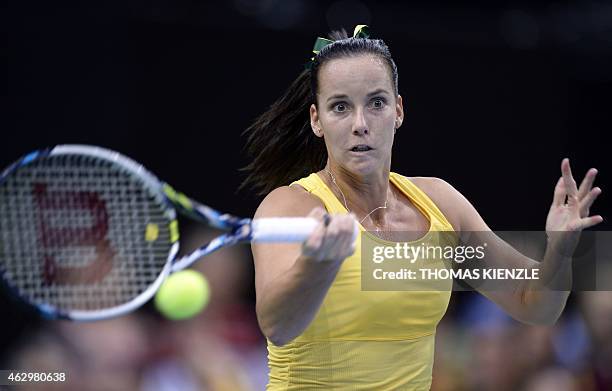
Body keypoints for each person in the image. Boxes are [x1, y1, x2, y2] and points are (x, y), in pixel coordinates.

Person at [241, 25, 603, 390]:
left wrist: (559, 250)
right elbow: (278, 326)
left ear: (398, 110)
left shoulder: (440, 204)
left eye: (376, 103)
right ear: (317, 120)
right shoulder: (291, 206)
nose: (361, 124)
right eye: (340, 107)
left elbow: (535, 303)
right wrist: (318, 263)